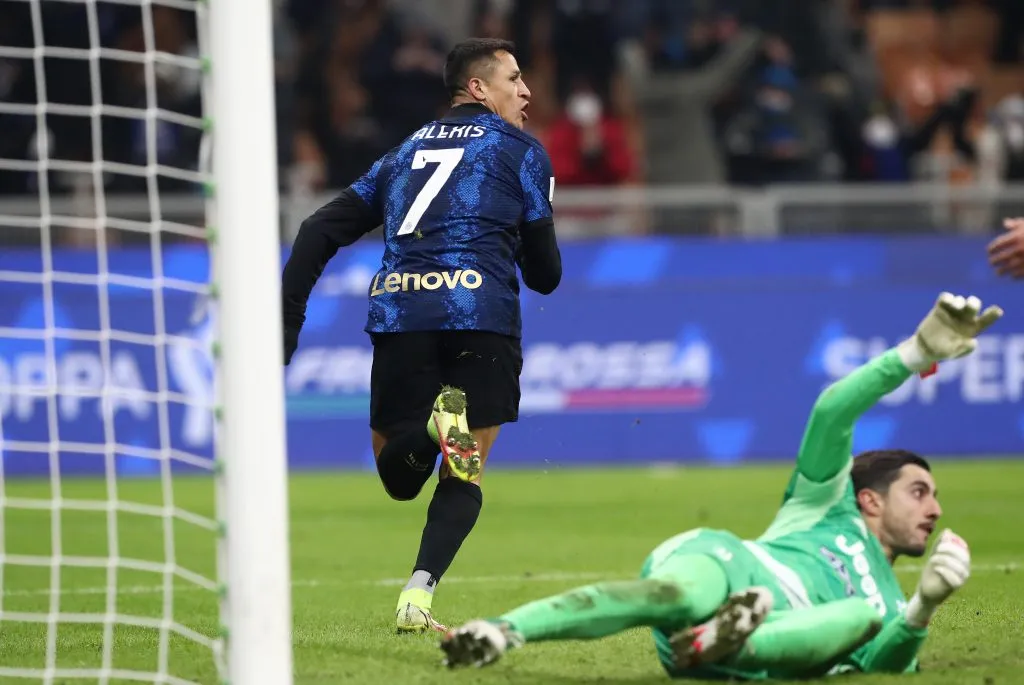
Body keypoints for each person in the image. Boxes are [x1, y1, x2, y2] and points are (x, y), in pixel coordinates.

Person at [440, 292, 1002, 679]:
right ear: (870, 499)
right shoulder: (824, 504)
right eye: (920, 491)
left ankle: (724, 642)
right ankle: (500, 632)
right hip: (731, 565)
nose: (936, 508)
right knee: (678, 596)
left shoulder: (889, 603)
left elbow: (884, 664)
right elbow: (834, 411)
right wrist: (915, 355)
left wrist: (925, 604)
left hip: (750, 644)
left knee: (861, 618)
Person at [280, 38, 562, 633]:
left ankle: (430, 444)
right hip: (481, 319)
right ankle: (419, 590)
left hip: (403, 316)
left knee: (398, 478)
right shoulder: (524, 153)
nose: (527, 90)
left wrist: (287, 324)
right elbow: (547, 278)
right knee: (463, 474)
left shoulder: (404, 152)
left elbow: (315, 230)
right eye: (514, 78)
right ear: (479, 88)